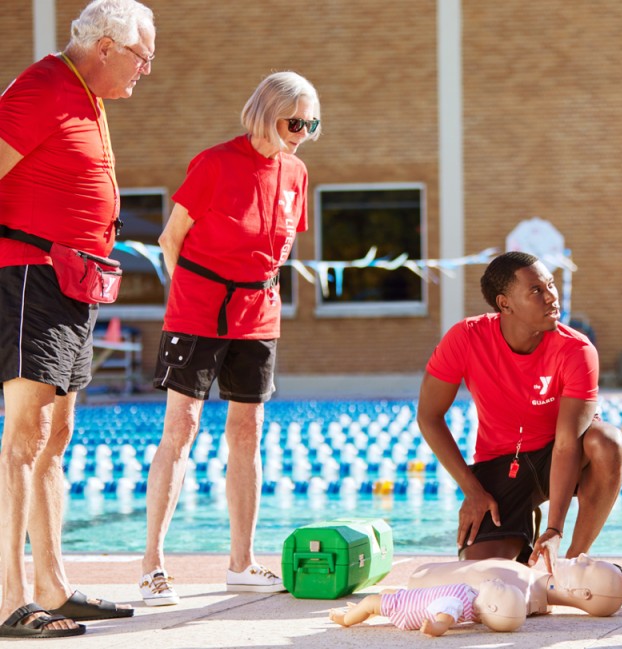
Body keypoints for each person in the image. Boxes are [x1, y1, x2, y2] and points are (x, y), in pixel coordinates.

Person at [0, 0, 154, 638]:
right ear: (110, 45)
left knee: (56, 435)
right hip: (30, 272)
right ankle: (9, 598)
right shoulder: (41, 88)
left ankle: (52, 586)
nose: (146, 70)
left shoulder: (83, 93)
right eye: (143, 57)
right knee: (24, 438)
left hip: (71, 282)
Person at [139, 71, 320, 606]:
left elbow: (281, 246)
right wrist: (190, 303)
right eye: (295, 122)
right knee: (183, 427)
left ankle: (242, 562)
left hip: (258, 311)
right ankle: (151, 565)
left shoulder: (296, 172)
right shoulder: (214, 163)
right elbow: (171, 240)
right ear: (267, 112)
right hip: (198, 309)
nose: (303, 133)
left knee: (248, 430)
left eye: (312, 124)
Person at [416, 251, 622, 567]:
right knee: (483, 574)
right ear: (505, 304)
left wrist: (556, 529)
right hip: (501, 462)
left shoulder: (577, 350)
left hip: (559, 454)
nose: (551, 297)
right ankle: (523, 528)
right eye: (536, 291)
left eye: (551, 285)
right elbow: (428, 416)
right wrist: (472, 490)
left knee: (607, 441)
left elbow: (568, 442)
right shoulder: (466, 338)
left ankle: (572, 562)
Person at [407, 555, 622, 617]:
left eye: (587, 566)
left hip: (414, 588)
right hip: (422, 576)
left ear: (582, 593)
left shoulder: (514, 595)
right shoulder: (531, 586)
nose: (582, 556)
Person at [329, 580, 526, 636]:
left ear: (491, 606)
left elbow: (444, 622)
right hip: (407, 597)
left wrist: (433, 629)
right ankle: (363, 612)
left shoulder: (455, 606)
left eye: (501, 587)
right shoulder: (474, 600)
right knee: (386, 593)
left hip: (405, 609)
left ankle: (345, 619)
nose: (499, 581)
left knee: (371, 601)